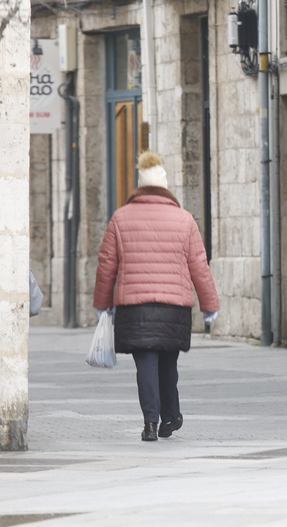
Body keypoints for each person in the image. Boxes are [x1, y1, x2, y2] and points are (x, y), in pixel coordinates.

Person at [93, 151, 219, 441]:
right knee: (168, 364)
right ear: (165, 187)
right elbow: (199, 265)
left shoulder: (120, 218)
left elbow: (106, 265)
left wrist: (102, 304)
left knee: (145, 365)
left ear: (139, 185)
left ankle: (150, 424)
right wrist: (209, 305)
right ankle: (171, 417)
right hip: (174, 307)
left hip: (134, 308)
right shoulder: (184, 219)